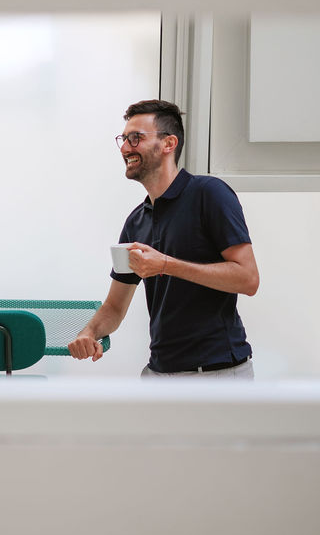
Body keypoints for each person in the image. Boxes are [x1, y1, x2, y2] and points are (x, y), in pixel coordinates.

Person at [68, 99, 259, 378]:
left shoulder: (209, 194)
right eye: (123, 139)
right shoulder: (137, 221)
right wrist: (90, 332)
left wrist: (166, 265)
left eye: (136, 138)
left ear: (169, 143)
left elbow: (248, 279)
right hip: (159, 373)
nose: (125, 148)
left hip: (217, 375)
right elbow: (114, 307)